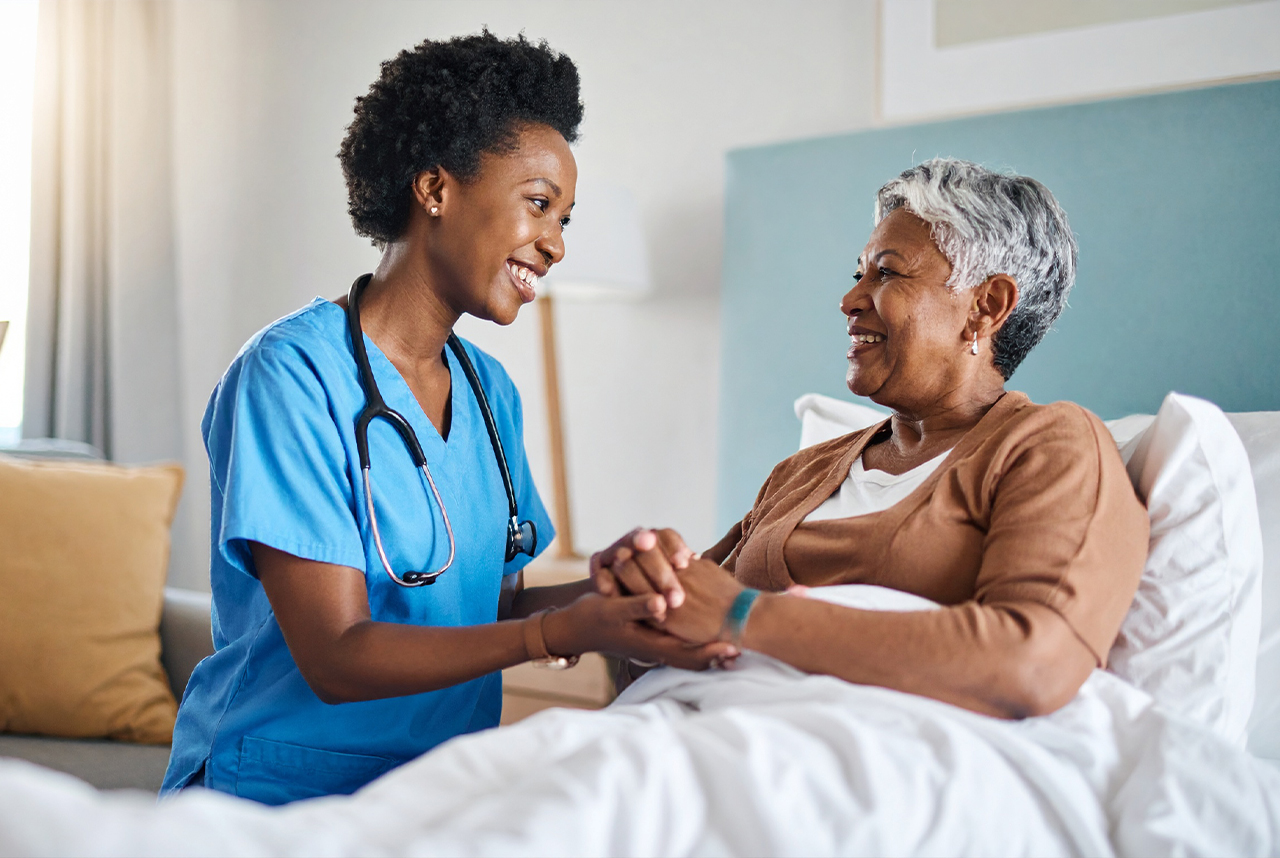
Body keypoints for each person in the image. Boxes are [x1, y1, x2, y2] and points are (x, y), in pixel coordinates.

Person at [161, 32, 733, 806]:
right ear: (436, 187)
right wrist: (559, 635)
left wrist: (609, 592)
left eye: (565, 218)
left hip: (437, 794)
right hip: (274, 795)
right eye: (539, 204)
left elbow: (489, 610)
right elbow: (335, 656)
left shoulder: (490, 392)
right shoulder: (291, 376)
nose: (557, 244)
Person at [595, 158, 1150, 719]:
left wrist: (743, 618)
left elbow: (1033, 664)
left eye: (886, 273)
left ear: (986, 306)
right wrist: (644, 594)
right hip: (680, 731)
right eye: (858, 274)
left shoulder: (1046, 445)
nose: (850, 299)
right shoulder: (803, 473)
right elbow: (672, 624)